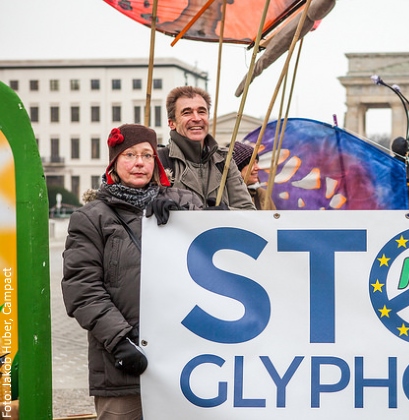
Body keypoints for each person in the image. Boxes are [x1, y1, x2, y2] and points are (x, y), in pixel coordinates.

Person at [62, 124, 203, 419]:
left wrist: (183, 216)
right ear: (114, 163)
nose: (139, 162)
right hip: (121, 366)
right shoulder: (90, 219)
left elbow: (220, 240)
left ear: (155, 163)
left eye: (147, 156)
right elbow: (82, 289)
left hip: (184, 362)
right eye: (129, 155)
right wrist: (119, 341)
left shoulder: (183, 203)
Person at [158, 86, 256, 210]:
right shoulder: (160, 161)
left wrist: (227, 212)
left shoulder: (225, 161)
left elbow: (248, 212)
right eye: (187, 113)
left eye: (201, 112)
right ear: (172, 123)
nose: (197, 118)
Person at [231, 141, 277, 210]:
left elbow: (273, 220)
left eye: (256, 162)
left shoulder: (262, 195)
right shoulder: (222, 197)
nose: (258, 168)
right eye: (252, 163)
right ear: (236, 168)